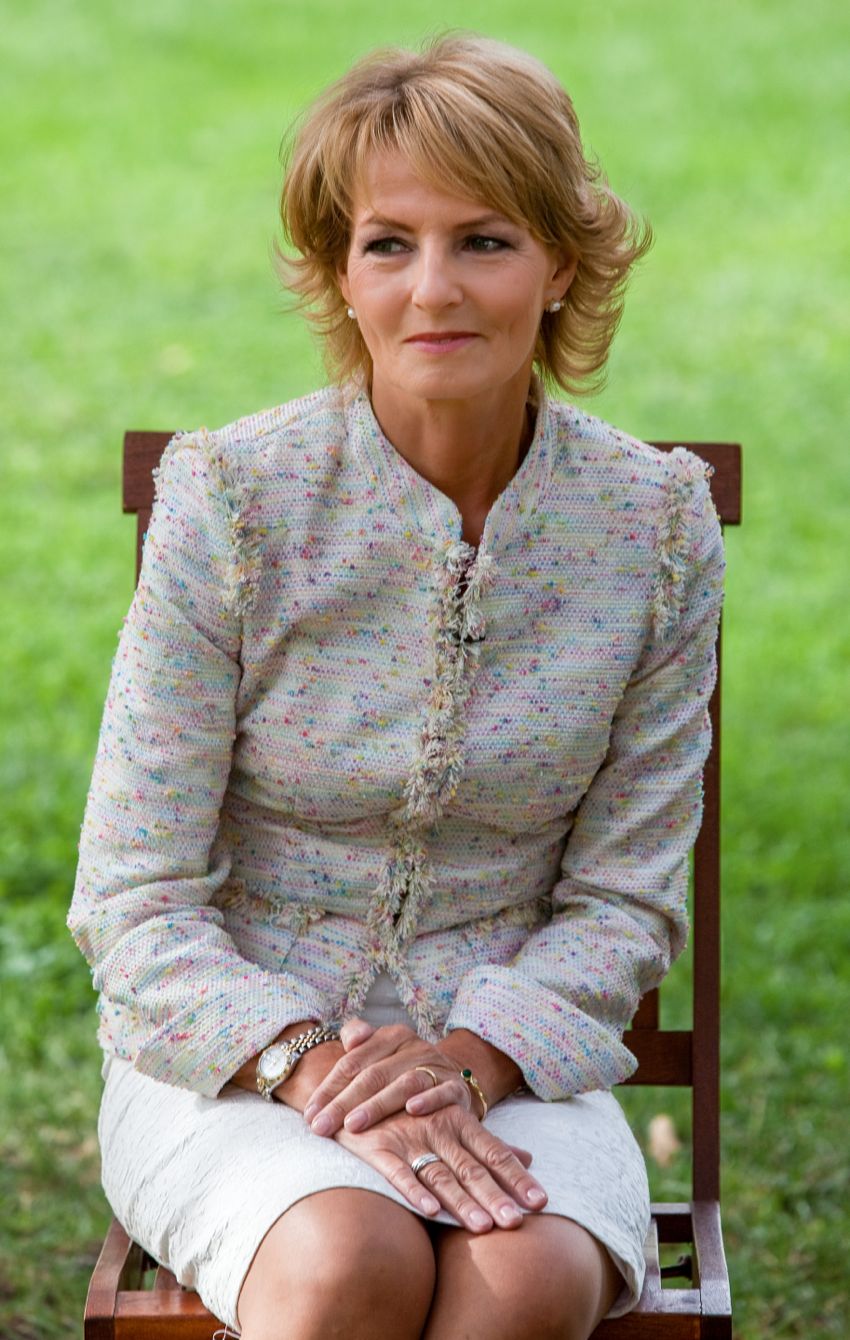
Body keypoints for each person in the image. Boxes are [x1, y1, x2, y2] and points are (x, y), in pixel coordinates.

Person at [68, 31, 725, 1340]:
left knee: (525, 1276)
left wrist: (468, 1065)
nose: (434, 289)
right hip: (231, 1060)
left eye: (484, 240)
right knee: (344, 1265)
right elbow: (133, 894)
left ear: (561, 264)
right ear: (339, 273)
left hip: (519, 1060)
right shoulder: (232, 504)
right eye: (387, 244)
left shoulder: (652, 526)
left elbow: (626, 894)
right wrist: (310, 1063)